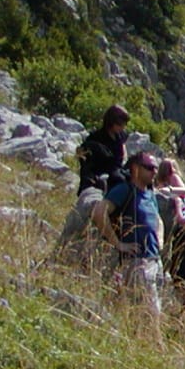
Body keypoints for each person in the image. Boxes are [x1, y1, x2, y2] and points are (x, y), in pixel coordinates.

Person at [92, 151, 164, 317]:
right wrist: (118, 244)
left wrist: (159, 239)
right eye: (149, 168)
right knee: (151, 313)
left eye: (156, 168)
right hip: (137, 261)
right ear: (135, 168)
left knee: (148, 310)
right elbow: (99, 212)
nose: (154, 172)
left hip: (154, 259)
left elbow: (158, 220)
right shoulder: (124, 190)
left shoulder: (150, 194)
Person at [54, 104, 130, 257]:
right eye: (120, 124)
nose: (122, 128)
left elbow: (122, 156)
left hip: (115, 178)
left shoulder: (120, 137)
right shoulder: (95, 139)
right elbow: (87, 165)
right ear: (112, 122)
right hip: (97, 182)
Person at [154, 158, 185, 300]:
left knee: (183, 260)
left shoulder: (173, 178)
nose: (171, 170)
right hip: (179, 222)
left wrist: (169, 190)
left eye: (172, 167)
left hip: (184, 220)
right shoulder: (161, 181)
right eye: (169, 167)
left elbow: (183, 191)